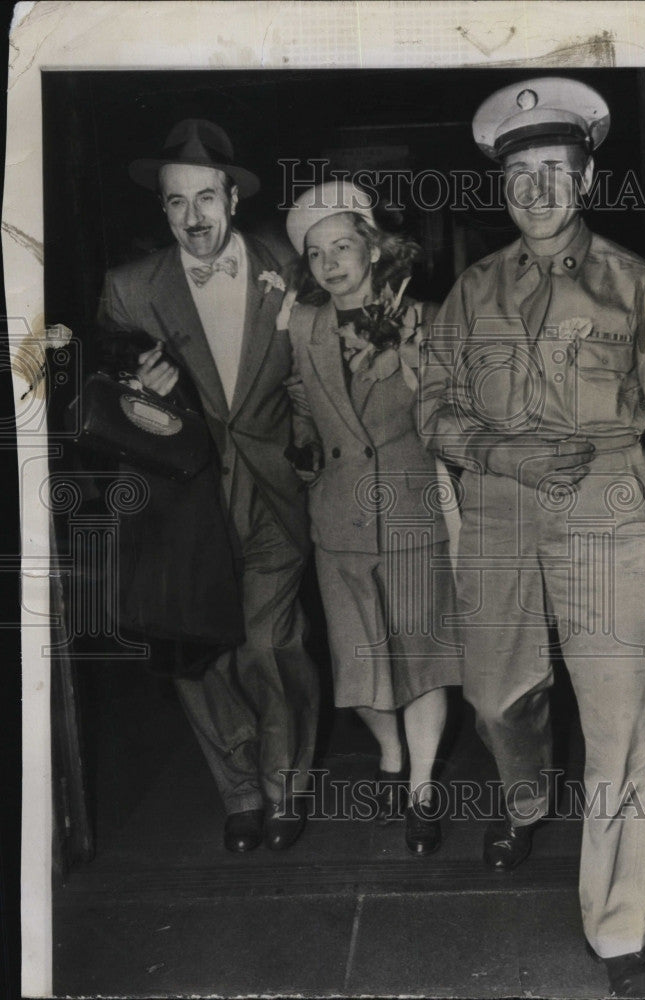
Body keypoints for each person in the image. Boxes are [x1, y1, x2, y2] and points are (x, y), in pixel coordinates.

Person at [420, 77, 645, 996]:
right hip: (498, 513)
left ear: (586, 177)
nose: (538, 193)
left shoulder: (640, 288)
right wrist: (497, 451)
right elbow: (432, 402)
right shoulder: (470, 291)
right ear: (502, 188)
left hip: (607, 516)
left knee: (623, 725)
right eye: (521, 178)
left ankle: (620, 929)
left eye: (554, 173)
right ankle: (526, 790)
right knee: (495, 697)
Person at [97, 118, 320, 854]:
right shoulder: (130, 289)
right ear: (161, 210)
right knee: (198, 653)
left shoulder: (289, 264)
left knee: (267, 644)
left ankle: (285, 788)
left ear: (231, 196)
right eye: (175, 203)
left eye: (205, 198)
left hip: (271, 486)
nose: (193, 218)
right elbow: (106, 387)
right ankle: (240, 792)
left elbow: (319, 364)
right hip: (183, 500)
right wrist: (140, 385)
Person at [282, 180, 461, 856]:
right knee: (359, 671)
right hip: (339, 519)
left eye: (344, 246)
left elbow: (460, 420)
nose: (332, 264)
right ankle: (388, 750)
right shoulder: (301, 327)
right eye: (318, 253)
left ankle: (420, 789)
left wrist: (422, 381)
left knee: (422, 661)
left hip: (415, 510)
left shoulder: (429, 318)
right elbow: (298, 420)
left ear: (374, 248)